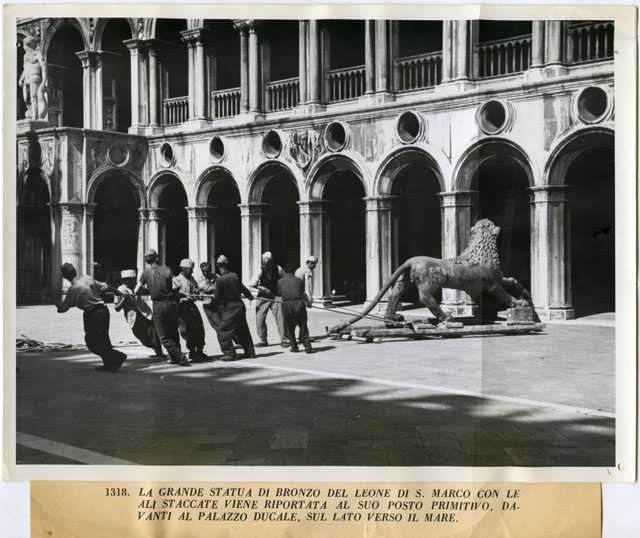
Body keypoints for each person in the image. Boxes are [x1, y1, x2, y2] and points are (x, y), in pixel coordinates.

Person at [55, 263, 127, 372]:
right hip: (103, 311)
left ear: (65, 277)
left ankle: (117, 356)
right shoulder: (87, 278)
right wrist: (117, 292)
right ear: (75, 271)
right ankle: (109, 364)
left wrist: (52, 298)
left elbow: (62, 309)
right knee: (104, 340)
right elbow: (105, 286)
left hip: (93, 314)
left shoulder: (72, 289)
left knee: (91, 341)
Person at [134, 249, 190, 366]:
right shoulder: (167, 269)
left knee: (163, 335)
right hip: (171, 304)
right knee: (173, 331)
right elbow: (178, 285)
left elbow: (136, 290)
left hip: (158, 305)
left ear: (147, 260)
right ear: (157, 258)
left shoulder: (146, 273)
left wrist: (151, 291)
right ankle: (174, 357)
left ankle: (179, 356)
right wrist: (171, 292)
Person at [214, 255, 256, 361]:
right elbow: (243, 288)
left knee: (222, 330)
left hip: (230, 307)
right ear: (227, 265)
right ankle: (250, 352)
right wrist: (249, 295)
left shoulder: (220, 280)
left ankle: (230, 353)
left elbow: (217, 297)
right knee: (243, 330)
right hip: (240, 305)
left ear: (217, 266)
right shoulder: (235, 276)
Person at [114, 269, 164, 358]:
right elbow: (117, 308)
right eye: (125, 280)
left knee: (153, 333)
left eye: (130, 279)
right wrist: (123, 299)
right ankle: (154, 348)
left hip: (145, 313)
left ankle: (159, 352)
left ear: (134, 279)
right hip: (132, 317)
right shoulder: (120, 290)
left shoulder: (138, 286)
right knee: (142, 336)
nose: (127, 282)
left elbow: (150, 292)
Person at [249, 251, 287, 347]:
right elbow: (252, 284)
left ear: (272, 261)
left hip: (276, 295)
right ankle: (263, 340)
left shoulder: (278, 268)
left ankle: (284, 339)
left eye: (269, 263)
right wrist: (263, 288)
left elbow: (285, 279)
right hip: (263, 296)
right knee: (260, 319)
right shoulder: (260, 270)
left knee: (280, 318)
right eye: (265, 263)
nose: (267, 265)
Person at [173, 259, 208, 362]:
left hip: (192, 306)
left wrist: (199, 294)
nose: (192, 272)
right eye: (190, 270)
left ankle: (200, 351)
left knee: (200, 327)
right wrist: (182, 298)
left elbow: (195, 291)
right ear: (184, 269)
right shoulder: (176, 280)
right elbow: (174, 296)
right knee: (188, 330)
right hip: (182, 308)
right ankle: (192, 352)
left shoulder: (191, 279)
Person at [278, 264, 313, 353]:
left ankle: (294, 347)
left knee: (289, 327)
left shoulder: (280, 281)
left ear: (285, 272)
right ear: (294, 272)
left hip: (286, 304)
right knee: (303, 326)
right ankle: (308, 347)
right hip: (298, 303)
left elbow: (280, 292)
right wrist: (308, 303)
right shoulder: (299, 281)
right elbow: (303, 294)